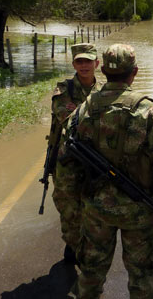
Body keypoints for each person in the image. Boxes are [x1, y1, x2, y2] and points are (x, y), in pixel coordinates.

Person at [59, 43, 153, 299]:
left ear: (102, 70)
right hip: (140, 212)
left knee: (90, 275)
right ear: (134, 72)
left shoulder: (81, 111)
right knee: (142, 277)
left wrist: (74, 214)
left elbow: (66, 173)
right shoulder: (149, 112)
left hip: (95, 211)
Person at [50, 43, 101, 264]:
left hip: (95, 162)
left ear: (97, 63)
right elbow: (68, 120)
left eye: (88, 61)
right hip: (68, 161)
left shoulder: (105, 92)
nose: (84, 65)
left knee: (94, 207)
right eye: (79, 61)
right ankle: (72, 245)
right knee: (68, 208)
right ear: (73, 64)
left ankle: (90, 245)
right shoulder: (64, 89)